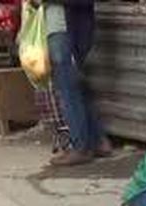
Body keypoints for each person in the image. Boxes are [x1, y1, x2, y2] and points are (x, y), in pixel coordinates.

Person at [41, 0, 109, 166]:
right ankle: (98, 140)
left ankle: (81, 148)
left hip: (65, 33)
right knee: (76, 86)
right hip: (61, 30)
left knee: (68, 88)